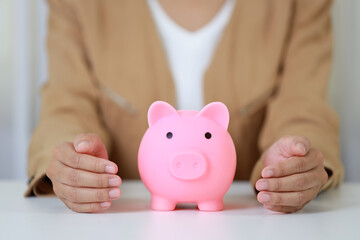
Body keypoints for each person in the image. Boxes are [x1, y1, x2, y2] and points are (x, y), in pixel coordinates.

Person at [26, 0, 343, 213]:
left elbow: (304, 105)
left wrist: (292, 161)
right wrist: (70, 159)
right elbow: (66, 104)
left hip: (245, 221)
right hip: (128, 222)